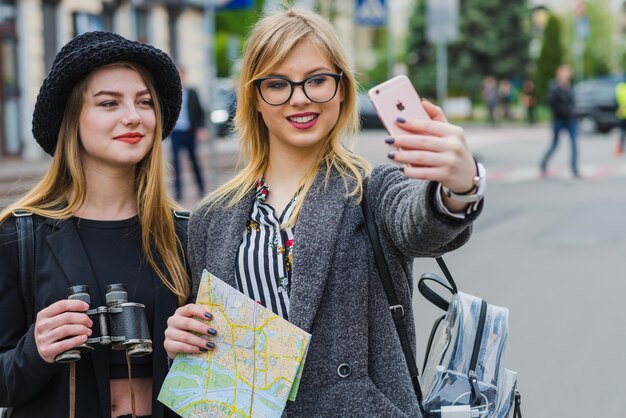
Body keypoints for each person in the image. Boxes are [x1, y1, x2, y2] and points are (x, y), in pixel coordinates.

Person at [163, 8, 485, 417]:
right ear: (254, 99)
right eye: (278, 84)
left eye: (317, 80)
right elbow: (213, 361)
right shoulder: (214, 216)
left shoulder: (372, 189)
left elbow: (421, 224)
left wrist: (459, 186)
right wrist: (183, 343)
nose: (300, 97)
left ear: (343, 90)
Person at [0, 32, 190, 418]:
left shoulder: (187, 233)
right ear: (73, 118)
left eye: (144, 102)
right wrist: (35, 350)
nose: (133, 116)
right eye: (109, 103)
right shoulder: (18, 236)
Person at [170, 66, 206, 202]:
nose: (180, 78)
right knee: (176, 164)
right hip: (176, 133)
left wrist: (201, 128)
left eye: (182, 75)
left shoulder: (192, 92)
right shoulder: (172, 94)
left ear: (185, 76)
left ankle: (201, 188)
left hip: (190, 132)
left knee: (194, 161)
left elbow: (200, 111)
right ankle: (178, 194)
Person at [540, 64, 580, 178]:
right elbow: (551, 103)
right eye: (563, 73)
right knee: (555, 144)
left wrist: (573, 112)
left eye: (567, 73)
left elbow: (573, 103)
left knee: (574, 143)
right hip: (559, 119)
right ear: (559, 74)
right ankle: (543, 163)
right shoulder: (554, 87)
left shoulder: (570, 87)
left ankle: (574, 168)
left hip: (570, 119)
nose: (566, 75)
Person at [614, 77, 626, 156]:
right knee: (622, 132)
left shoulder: (619, 87)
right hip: (622, 114)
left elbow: (614, 101)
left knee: (622, 132)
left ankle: (619, 150)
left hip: (621, 113)